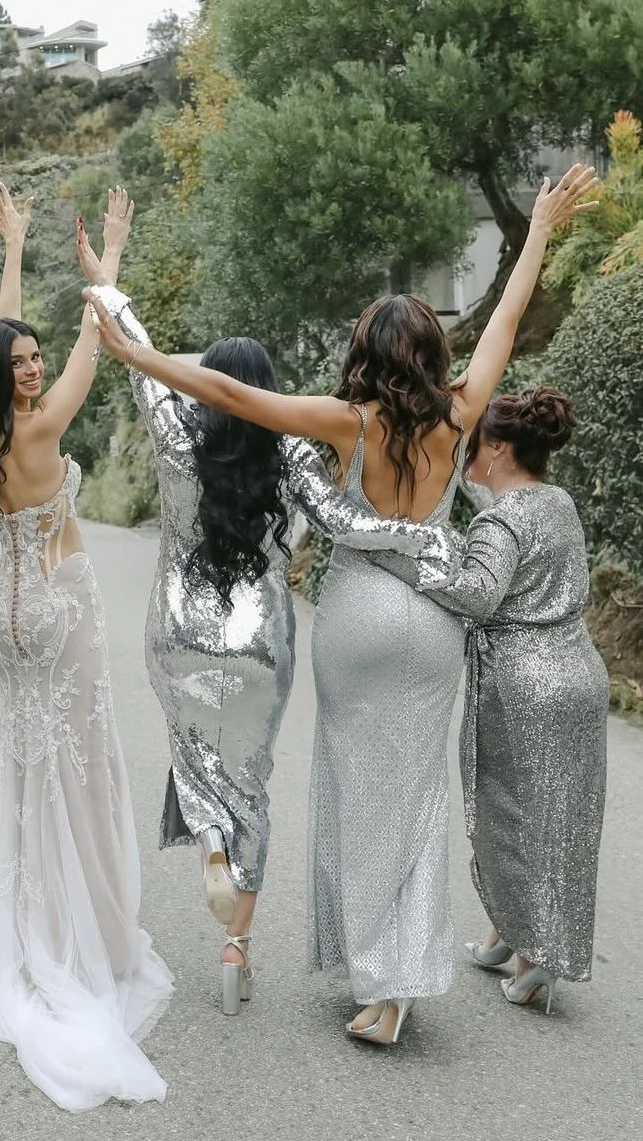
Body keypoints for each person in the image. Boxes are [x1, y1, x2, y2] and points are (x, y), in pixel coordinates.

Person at [87, 161, 598, 1045]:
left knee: (354, 792)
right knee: (415, 800)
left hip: (359, 619)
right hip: (433, 622)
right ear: (434, 356)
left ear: (367, 355)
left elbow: (235, 395)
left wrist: (139, 356)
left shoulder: (348, 421)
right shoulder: (462, 413)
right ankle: (396, 983)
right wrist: (540, 232)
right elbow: (508, 318)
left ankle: (375, 978)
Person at [75, 197, 452, 1018]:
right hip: (259, 635)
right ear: (269, 390)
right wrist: (427, 541)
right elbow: (349, 521)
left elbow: (143, 360)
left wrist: (108, 273)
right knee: (253, 781)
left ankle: (207, 842)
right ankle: (236, 946)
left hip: (177, 625)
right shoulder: (291, 448)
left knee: (195, 755)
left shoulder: (177, 429)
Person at [0, 185, 172, 1111]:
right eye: (22, 363)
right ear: (11, 376)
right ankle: (85, 938)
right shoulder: (39, 426)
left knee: (36, 766)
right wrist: (105, 258)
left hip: (9, 604)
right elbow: (94, 347)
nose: (33, 371)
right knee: (79, 767)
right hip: (60, 607)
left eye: (36, 361)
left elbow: (2, 344)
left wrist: (12, 248)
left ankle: (43, 912)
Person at [373, 387, 609, 1015]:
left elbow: (477, 594)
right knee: (563, 821)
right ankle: (514, 932)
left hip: (523, 683)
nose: (465, 455)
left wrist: (406, 561)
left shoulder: (499, 520)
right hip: (580, 675)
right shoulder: (557, 502)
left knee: (509, 817)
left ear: (498, 447)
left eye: (475, 445)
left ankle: (534, 961)